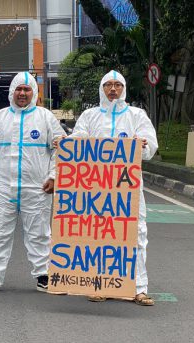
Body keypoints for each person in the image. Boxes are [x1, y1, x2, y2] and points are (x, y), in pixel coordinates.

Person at [64, 70, 158, 306]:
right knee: (100, 237)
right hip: (97, 190)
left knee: (136, 236)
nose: (113, 89)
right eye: (108, 85)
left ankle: (138, 288)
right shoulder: (89, 115)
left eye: (117, 85)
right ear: (101, 88)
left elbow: (150, 148)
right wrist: (65, 145)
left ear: (124, 88)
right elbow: (78, 141)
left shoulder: (137, 115)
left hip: (129, 190)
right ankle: (101, 284)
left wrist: (143, 146)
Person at [0, 72, 65, 295]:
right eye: (18, 89)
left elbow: (60, 149)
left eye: (27, 89)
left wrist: (53, 177)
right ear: (11, 92)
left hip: (37, 189)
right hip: (3, 189)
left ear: (34, 93)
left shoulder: (45, 118)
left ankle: (44, 276)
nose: (22, 94)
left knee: (40, 234)